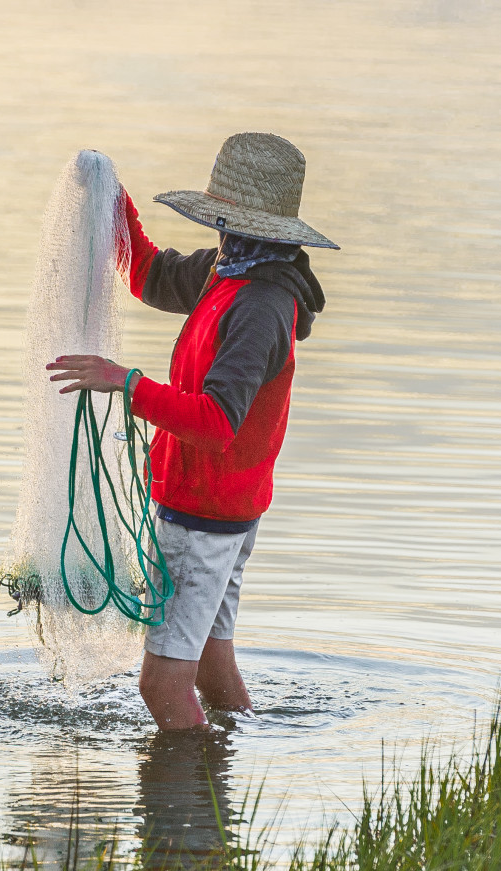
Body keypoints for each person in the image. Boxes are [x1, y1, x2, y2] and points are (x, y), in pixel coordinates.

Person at [47, 132, 338, 731]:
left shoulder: (259, 307)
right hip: (227, 505)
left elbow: (215, 424)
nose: (220, 230)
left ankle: (188, 812)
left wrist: (125, 382)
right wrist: (111, 198)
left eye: (226, 218)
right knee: (208, 659)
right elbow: (149, 274)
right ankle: (231, 764)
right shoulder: (227, 271)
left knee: (160, 685)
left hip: (206, 514)